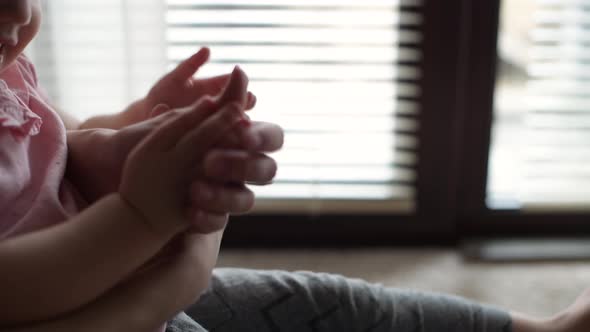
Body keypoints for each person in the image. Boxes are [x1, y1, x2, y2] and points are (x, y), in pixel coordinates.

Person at [2, 1, 590, 331]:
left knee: (327, 304)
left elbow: (58, 136)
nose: (20, 12)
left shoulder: (8, 63)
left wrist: (141, 117)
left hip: (128, 280)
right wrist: (141, 218)